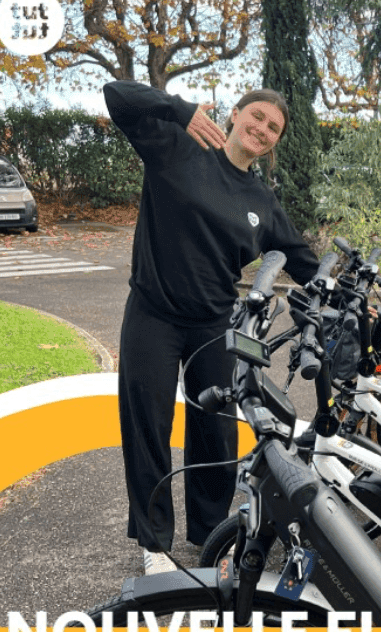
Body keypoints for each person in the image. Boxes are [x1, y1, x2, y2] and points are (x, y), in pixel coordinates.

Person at [104, 80, 319, 575]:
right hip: (153, 315)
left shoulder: (261, 199)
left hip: (215, 323)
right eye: (257, 116)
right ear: (235, 114)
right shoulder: (177, 147)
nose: (262, 129)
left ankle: (207, 535)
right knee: (149, 428)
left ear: (275, 142)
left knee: (217, 436)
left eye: (273, 128)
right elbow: (116, 96)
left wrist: (346, 291)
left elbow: (301, 259)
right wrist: (178, 109)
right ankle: (155, 545)